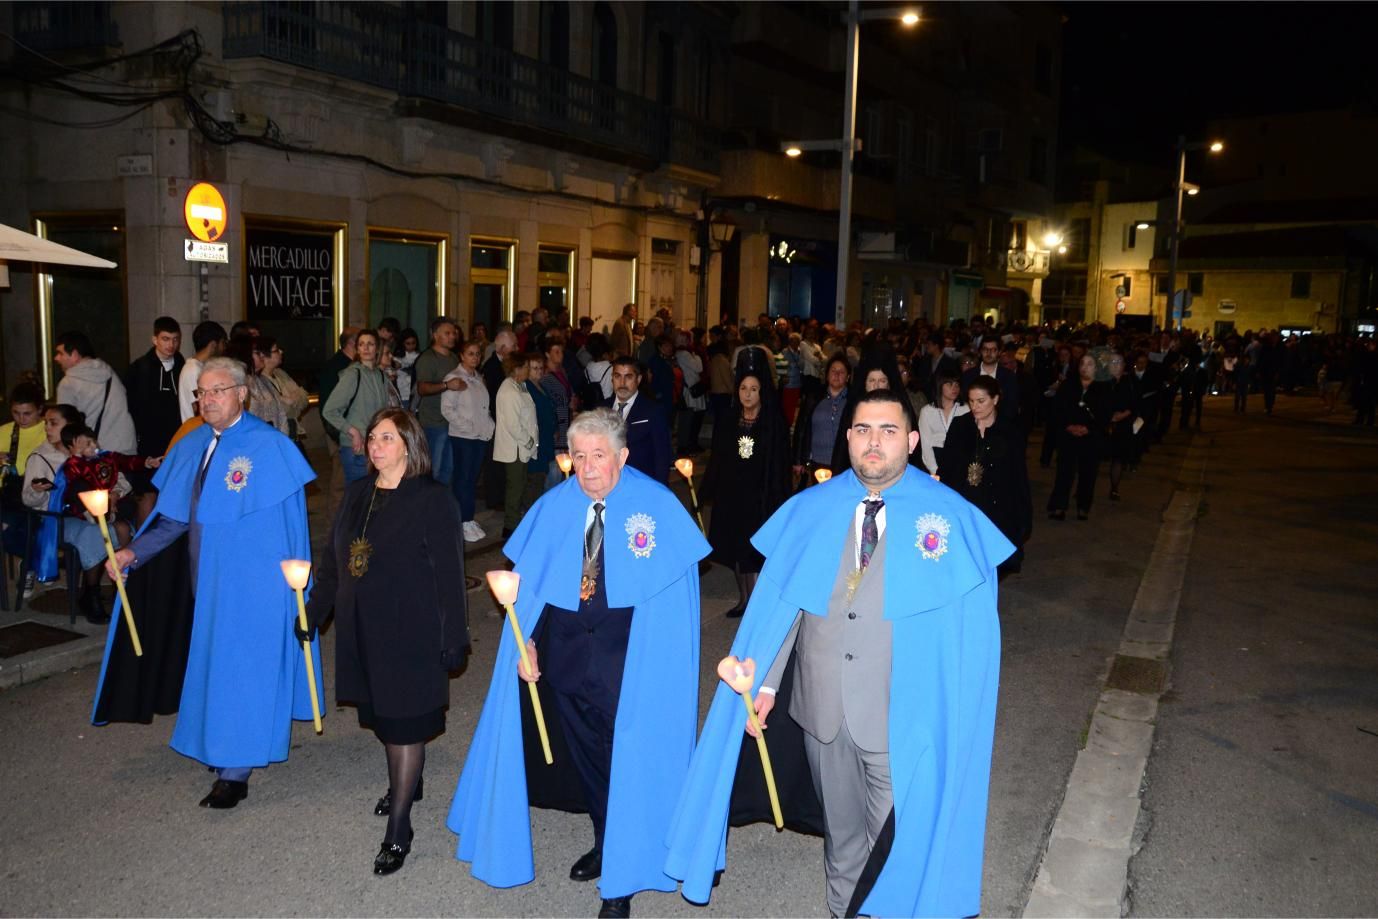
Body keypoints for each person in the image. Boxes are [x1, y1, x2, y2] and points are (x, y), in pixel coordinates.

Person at [664, 390, 1013, 918]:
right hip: (823, 710)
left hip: (900, 718)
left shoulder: (948, 517)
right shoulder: (811, 509)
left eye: (889, 431)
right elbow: (784, 605)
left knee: (894, 845)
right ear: (847, 438)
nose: (875, 442)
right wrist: (765, 683)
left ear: (912, 442)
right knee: (842, 839)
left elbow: (968, 635)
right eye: (864, 430)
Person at [447, 408, 709, 919]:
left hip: (628, 664)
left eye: (600, 457)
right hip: (568, 658)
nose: (589, 468)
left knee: (626, 763)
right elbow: (532, 593)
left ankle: (622, 874)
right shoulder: (553, 507)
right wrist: (527, 645)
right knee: (589, 759)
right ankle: (605, 840)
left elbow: (675, 610)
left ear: (623, 456)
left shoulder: (657, 507)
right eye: (580, 456)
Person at [92, 357, 320, 808]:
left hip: (256, 584)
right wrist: (132, 552)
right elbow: (174, 518)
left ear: (242, 393)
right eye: (202, 392)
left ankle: (235, 771)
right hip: (208, 581)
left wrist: (297, 588)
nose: (207, 399)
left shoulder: (269, 447)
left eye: (217, 390)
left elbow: (293, 527)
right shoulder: (192, 443)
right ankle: (224, 743)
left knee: (243, 670)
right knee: (219, 667)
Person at [299, 408, 469, 876]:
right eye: (372, 438)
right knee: (385, 716)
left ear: (411, 445)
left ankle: (400, 826)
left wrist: (454, 634)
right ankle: (407, 783)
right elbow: (335, 562)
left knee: (403, 723)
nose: (375, 446)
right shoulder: (358, 494)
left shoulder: (433, 499)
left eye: (387, 438)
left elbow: (451, 577)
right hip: (364, 628)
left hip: (411, 629)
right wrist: (314, 612)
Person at [702, 368, 791, 618]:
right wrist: (711, 487)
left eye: (753, 389)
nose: (748, 394)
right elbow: (718, 457)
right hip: (733, 494)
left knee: (754, 550)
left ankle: (756, 603)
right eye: (743, 388)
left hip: (760, 495)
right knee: (736, 549)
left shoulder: (772, 421)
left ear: (762, 392)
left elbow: (779, 461)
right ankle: (744, 599)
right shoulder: (730, 418)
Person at [935, 376, 1032, 576]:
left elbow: (1018, 474)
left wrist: (1023, 514)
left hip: (997, 504)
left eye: (981, 401)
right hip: (966, 501)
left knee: (994, 563)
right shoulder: (961, 426)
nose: (975, 407)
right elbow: (947, 465)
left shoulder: (1010, 430)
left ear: (995, 399)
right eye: (971, 401)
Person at [323, 329, 397, 484]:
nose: (366, 348)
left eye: (370, 344)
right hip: (356, 449)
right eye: (361, 344)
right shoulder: (352, 374)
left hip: (375, 446)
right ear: (357, 348)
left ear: (377, 348)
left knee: (372, 497)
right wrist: (353, 431)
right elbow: (329, 410)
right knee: (358, 499)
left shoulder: (380, 375)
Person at [440, 339, 493, 542]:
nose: (475, 357)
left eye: (478, 354)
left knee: (471, 478)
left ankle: (467, 518)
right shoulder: (454, 377)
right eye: (470, 353)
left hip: (479, 435)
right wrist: (467, 426)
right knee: (463, 479)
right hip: (463, 436)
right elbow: (447, 409)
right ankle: (463, 519)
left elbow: (482, 407)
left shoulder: (478, 378)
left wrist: (488, 425)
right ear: (462, 355)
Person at [1048, 354, 1111, 521]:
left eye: (1090, 364)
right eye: (1082, 363)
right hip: (1068, 434)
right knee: (1064, 472)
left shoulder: (1103, 388)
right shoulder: (1068, 385)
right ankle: (1059, 506)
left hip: (1091, 437)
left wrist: (1088, 428)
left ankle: (1083, 506)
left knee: (1088, 473)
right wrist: (1068, 426)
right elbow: (1058, 409)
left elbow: (1105, 414)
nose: (1085, 367)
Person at [53, 331, 136, 453]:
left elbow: (65, 426)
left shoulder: (68, 384)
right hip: (125, 447)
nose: (56, 358)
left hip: (95, 452)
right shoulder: (109, 372)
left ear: (75, 355)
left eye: (60, 353)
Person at [124, 316, 186, 459]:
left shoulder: (182, 365)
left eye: (175, 339)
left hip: (176, 435)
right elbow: (131, 404)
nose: (171, 344)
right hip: (149, 439)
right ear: (155, 340)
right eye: (165, 339)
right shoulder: (139, 368)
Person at [493, 352, 538, 538]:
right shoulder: (509, 391)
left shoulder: (521, 386)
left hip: (522, 448)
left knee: (519, 485)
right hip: (516, 449)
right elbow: (513, 424)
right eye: (527, 366)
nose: (529, 370)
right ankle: (510, 526)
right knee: (515, 487)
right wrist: (528, 441)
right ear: (517, 369)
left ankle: (514, 522)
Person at [608, 356, 671, 484]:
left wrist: (659, 489)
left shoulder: (653, 410)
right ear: (612, 379)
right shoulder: (601, 409)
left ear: (639, 379)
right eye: (617, 376)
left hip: (640, 482)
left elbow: (662, 454)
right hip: (606, 484)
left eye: (628, 377)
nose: (622, 382)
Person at [318, 327, 360, 517]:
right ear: (352, 343)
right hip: (341, 431)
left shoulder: (356, 366)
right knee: (340, 484)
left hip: (354, 431)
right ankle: (336, 529)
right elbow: (327, 407)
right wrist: (337, 434)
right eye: (363, 343)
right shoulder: (335, 367)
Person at [413, 317, 460, 487]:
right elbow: (422, 388)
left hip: (452, 421)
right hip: (433, 421)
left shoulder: (454, 357)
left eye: (453, 333)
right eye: (447, 333)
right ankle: (429, 506)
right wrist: (446, 385)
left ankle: (442, 506)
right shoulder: (427, 358)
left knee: (449, 468)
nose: (452, 336)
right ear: (435, 335)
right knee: (435, 468)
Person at [792, 353, 851, 483]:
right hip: (816, 462)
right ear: (827, 374)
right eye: (833, 370)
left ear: (848, 377)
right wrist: (798, 460)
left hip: (844, 463)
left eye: (841, 372)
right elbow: (801, 428)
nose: (837, 374)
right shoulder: (814, 397)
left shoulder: (853, 401)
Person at [917, 372, 970, 475]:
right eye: (949, 384)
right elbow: (925, 445)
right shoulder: (927, 411)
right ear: (939, 385)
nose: (954, 388)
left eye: (957, 384)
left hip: (960, 459)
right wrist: (934, 470)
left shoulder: (966, 409)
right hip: (936, 456)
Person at [178, 321, 227, 422]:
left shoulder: (201, 368)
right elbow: (199, 408)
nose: (224, 348)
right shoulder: (193, 370)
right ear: (213, 345)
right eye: (223, 343)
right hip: (196, 431)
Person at [1106, 354, 1137, 501]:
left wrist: (1123, 415)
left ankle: (1114, 488)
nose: (1116, 365)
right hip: (1104, 423)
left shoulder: (1130, 381)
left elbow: (1135, 403)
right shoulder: (1104, 382)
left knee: (1117, 458)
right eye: (1113, 362)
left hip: (1122, 424)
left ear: (1124, 365)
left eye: (1119, 362)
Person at [674, 330, 708, 457]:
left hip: (691, 389)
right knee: (689, 420)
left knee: (691, 419)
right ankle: (686, 446)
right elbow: (699, 368)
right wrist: (696, 356)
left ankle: (688, 445)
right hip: (690, 390)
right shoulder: (685, 354)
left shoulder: (682, 353)